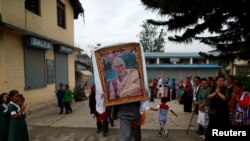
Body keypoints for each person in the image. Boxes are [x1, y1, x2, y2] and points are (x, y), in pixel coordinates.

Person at [206, 76, 230, 140]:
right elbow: (208, 96)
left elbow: (226, 98)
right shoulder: (211, 88)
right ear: (216, 82)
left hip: (223, 111)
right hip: (212, 109)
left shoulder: (226, 89)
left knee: (222, 124)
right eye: (219, 80)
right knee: (212, 123)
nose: (221, 82)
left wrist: (218, 92)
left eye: (222, 81)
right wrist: (215, 92)